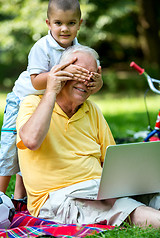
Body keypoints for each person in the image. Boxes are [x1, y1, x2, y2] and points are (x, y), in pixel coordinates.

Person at [16, 45, 160, 228]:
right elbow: (31, 140)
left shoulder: (91, 109)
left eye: (91, 76)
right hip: (58, 197)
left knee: (154, 195)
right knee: (126, 208)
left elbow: (112, 161)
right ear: (61, 73)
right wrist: (51, 90)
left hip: (99, 189)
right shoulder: (32, 103)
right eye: (79, 73)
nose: (85, 81)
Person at [0, 0, 103, 200]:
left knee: (32, 151)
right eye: (58, 23)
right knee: (10, 148)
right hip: (23, 99)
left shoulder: (79, 51)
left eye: (71, 23)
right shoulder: (42, 48)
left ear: (80, 23)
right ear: (48, 23)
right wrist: (61, 71)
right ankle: (0, 196)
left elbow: (93, 79)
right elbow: (37, 82)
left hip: (47, 102)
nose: (64, 29)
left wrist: (97, 83)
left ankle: (20, 199)